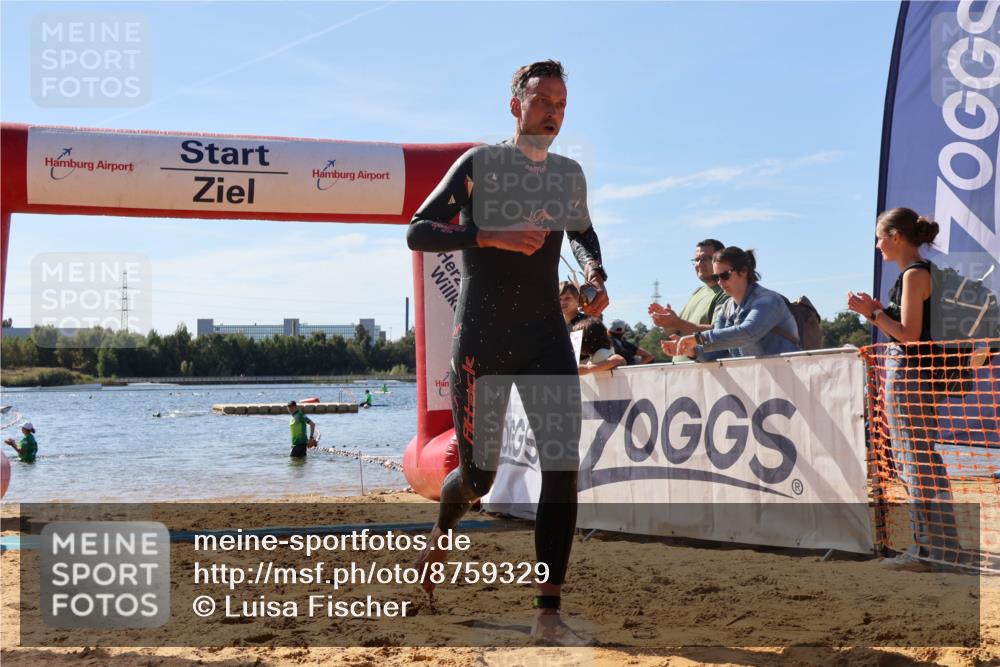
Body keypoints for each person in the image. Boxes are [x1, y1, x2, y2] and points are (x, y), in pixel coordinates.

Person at [406, 60, 608, 646]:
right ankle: (443, 528)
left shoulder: (567, 175)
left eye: (561, 104)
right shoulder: (479, 165)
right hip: (483, 342)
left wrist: (594, 277)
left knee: (561, 468)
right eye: (543, 101)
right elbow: (419, 229)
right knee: (479, 478)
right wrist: (486, 235)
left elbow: (584, 234)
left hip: (545, 337)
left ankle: (548, 611)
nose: (553, 113)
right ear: (515, 104)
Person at [847, 208, 964, 572]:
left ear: (896, 237)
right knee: (923, 460)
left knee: (914, 462)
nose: (878, 245)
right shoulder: (923, 272)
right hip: (921, 378)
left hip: (911, 378)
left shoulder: (914, 275)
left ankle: (927, 550)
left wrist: (872, 314)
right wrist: (880, 311)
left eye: (880, 238)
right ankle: (942, 547)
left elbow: (909, 336)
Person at [662, 247, 800, 361]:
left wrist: (698, 338)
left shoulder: (768, 301)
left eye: (725, 275)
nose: (720, 282)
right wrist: (690, 351)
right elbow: (717, 350)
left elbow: (747, 333)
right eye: (716, 277)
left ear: (743, 271)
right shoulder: (726, 309)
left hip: (788, 378)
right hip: (757, 379)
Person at [648, 239, 730, 362]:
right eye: (697, 260)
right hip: (683, 371)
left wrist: (677, 322)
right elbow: (675, 331)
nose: (699, 263)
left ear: (721, 260)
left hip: (705, 370)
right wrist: (667, 322)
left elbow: (719, 333)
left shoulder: (726, 293)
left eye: (706, 258)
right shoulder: (697, 292)